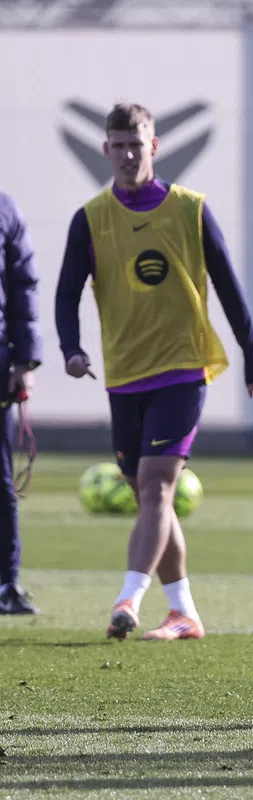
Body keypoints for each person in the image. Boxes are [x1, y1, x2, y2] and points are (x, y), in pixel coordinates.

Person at [55, 102, 253, 641]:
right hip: (124, 373)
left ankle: (128, 599)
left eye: (137, 145)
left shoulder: (190, 209)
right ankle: (183, 612)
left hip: (182, 368)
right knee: (151, 495)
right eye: (119, 145)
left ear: (154, 146)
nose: (128, 155)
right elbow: (65, 293)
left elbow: (228, 284)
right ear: (105, 149)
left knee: (154, 487)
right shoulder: (90, 218)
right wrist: (70, 349)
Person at [0, 190, 42, 615]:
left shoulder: (4, 207)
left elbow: (22, 283)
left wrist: (25, 359)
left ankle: (5, 585)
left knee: (1, 482)